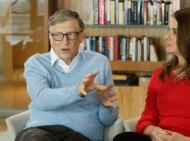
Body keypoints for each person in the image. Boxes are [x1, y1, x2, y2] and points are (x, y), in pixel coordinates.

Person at [113, 7, 190, 141]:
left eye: (175, 32)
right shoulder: (159, 74)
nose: (167, 37)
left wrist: (188, 140)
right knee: (123, 138)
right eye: (168, 30)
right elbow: (147, 118)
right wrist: (152, 130)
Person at [15, 9, 118, 141]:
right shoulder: (36, 63)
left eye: (71, 34)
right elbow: (42, 99)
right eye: (57, 35)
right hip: (41, 131)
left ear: (81, 36)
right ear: (50, 37)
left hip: (81, 134)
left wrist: (105, 106)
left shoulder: (99, 62)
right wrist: (77, 91)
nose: (65, 41)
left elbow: (108, 121)